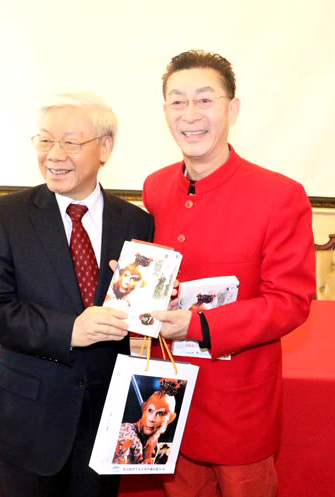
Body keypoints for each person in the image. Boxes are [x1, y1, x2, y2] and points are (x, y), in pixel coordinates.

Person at [143, 50, 316, 497]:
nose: (190, 114)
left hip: (238, 404)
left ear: (232, 109)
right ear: (165, 112)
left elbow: (290, 303)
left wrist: (197, 325)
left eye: (205, 100)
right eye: (178, 101)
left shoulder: (279, 195)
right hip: (166, 396)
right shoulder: (156, 187)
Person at [0, 91, 154, 497]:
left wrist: (159, 302)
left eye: (70, 143)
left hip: (106, 418)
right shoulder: (5, 215)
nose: (54, 155)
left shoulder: (136, 222)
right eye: (45, 140)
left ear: (104, 148)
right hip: (30, 418)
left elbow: (138, 313)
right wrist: (69, 329)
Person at [113, 378, 179, 465]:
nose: (151, 419)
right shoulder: (129, 437)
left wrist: (155, 435)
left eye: (160, 413)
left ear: (171, 418)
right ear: (144, 408)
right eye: (150, 410)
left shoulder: (152, 440)